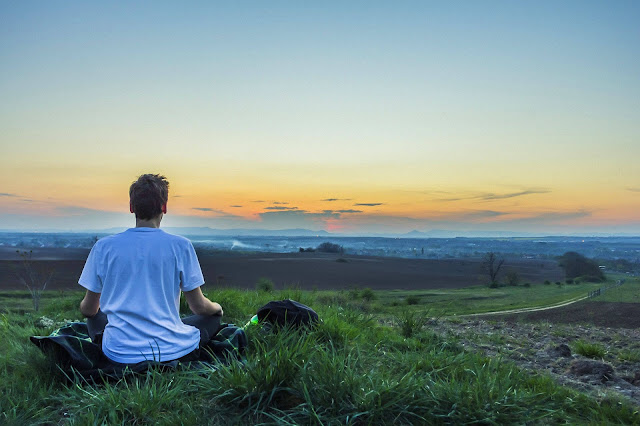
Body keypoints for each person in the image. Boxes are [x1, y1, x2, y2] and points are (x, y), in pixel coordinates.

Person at [78, 174, 223, 364]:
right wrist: (217, 308)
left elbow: (88, 310)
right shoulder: (181, 246)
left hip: (119, 352)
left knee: (95, 317)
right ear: (164, 207)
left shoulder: (104, 247)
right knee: (211, 319)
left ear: (131, 207)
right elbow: (199, 307)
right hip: (170, 350)